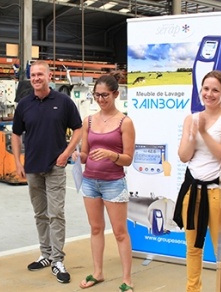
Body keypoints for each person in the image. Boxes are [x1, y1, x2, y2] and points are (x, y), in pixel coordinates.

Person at [11, 61, 82, 283]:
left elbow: (79, 129)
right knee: (40, 214)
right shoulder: (24, 104)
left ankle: (57, 259)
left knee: (56, 214)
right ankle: (45, 254)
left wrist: (67, 153)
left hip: (55, 166)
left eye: (40, 74)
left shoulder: (63, 102)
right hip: (32, 167)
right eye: (33, 75)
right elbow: (15, 133)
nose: (36, 78)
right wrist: (17, 161)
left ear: (49, 76)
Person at [175, 70, 221, 292]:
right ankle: (192, 289)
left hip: (217, 193)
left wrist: (203, 132)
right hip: (192, 191)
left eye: (215, 90)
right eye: (205, 89)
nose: (209, 94)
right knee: (193, 247)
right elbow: (184, 156)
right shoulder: (191, 118)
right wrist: (193, 134)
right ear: (200, 90)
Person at [76, 74, 136, 291]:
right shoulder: (88, 121)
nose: (100, 99)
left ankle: (127, 279)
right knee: (95, 228)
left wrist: (111, 155)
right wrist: (77, 157)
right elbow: (85, 152)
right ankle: (98, 272)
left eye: (105, 95)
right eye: (97, 95)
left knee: (120, 232)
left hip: (113, 182)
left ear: (116, 94)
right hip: (90, 181)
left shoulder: (125, 122)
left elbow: (128, 158)